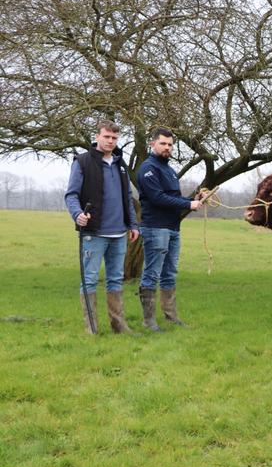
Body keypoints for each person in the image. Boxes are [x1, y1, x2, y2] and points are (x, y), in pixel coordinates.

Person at [65, 120, 140, 334]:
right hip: (94, 233)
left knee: (115, 278)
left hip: (119, 233)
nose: (110, 141)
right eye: (106, 136)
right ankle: (92, 329)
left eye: (114, 138)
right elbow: (71, 195)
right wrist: (77, 214)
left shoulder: (120, 164)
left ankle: (119, 325)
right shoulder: (82, 162)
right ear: (97, 136)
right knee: (89, 279)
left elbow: (127, 196)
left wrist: (133, 224)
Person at [137, 127, 206, 332]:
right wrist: (187, 205)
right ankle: (148, 321)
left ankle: (171, 317)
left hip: (173, 228)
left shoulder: (169, 170)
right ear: (153, 144)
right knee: (152, 273)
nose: (167, 147)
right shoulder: (148, 169)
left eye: (170, 144)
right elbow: (157, 197)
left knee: (170, 273)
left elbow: (173, 198)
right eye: (163, 143)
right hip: (155, 228)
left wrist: (193, 201)